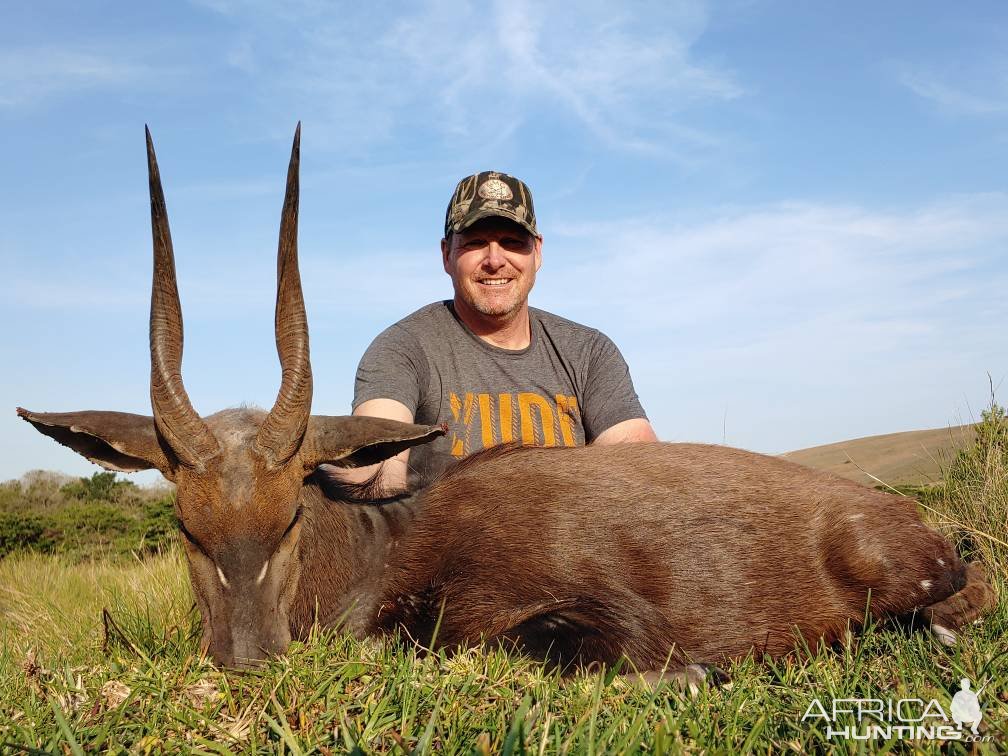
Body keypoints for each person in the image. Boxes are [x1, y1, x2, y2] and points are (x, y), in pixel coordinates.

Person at [349, 170, 657, 488]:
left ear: (537, 252)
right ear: (446, 255)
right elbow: (372, 478)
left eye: (511, 242)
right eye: (476, 242)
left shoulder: (589, 353)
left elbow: (641, 474)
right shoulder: (403, 349)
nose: (495, 260)